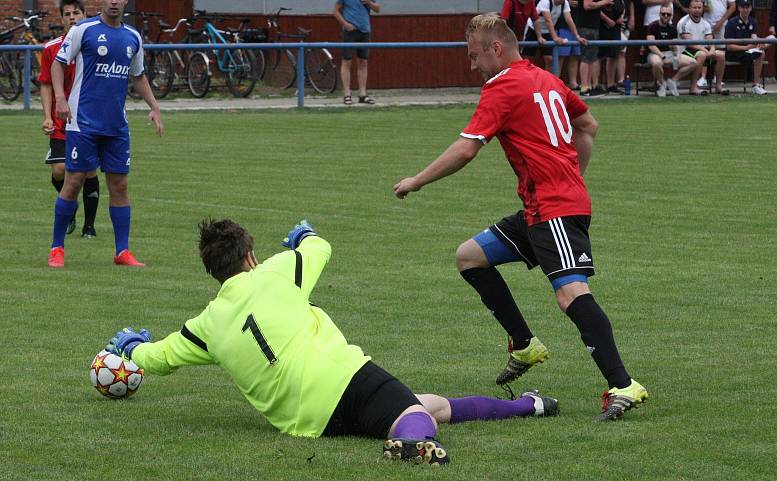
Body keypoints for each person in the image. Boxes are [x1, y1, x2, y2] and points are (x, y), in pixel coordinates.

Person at [105, 219, 560, 466]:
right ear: (249, 257)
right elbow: (320, 248)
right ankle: (409, 446)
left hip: (308, 420)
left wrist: (130, 349)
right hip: (341, 377)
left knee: (433, 405)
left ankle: (530, 406)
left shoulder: (205, 325)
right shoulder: (276, 272)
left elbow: (160, 357)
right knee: (418, 416)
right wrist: (304, 236)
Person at [393, 13, 648, 421]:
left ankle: (622, 384)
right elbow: (589, 124)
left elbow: (466, 149)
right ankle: (524, 342)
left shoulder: (502, 86)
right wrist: (571, 174)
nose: (473, 65)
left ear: (496, 49)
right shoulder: (545, 78)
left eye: (475, 56)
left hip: (554, 210)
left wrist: (417, 180)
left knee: (570, 295)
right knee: (469, 256)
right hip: (540, 208)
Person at [48, 0, 163, 268]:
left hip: (116, 125)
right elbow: (58, 64)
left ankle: (122, 252)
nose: (113, 1)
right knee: (74, 180)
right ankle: (57, 248)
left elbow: (139, 76)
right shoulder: (83, 30)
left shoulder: (132, 37)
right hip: (83, 122)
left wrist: (155, 107)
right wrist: (60, 99)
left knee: (120, 185)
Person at [39, 0, 99, 239]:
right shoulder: (52, 48)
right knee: (59, 170)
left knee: (89, 172)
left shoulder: (95, 44)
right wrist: (46, 116)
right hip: (62, 120)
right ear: (61, 19)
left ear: (85, 15)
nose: (72, 17)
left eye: (77, 13)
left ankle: (89, 227)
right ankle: (70, 204)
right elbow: (45, 83)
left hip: (89, 121)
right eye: (67, 14)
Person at [645, 5, 700, 95]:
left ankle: (673, 81)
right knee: (656, 63)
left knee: (694, 63)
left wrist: (677, 55)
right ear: (659, 14)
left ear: (671, 16)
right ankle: (662, 84)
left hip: (669, 54)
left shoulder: (672, 28)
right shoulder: (653, 26)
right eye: (663, 14)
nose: (666, 16)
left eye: (668, 14)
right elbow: (651, 46)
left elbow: (674, 45)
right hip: (655, 54)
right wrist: (663, 57)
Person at [333, 0, 380, 105]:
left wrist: (369, 2)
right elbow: (335, 11)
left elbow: (377, 9)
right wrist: (345, 24)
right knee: (347, 61)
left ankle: (362, 94)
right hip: (350, 32)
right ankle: (347, 95)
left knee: (363, 62)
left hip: (365, 30)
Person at [677, 0, 728, 94]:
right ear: (689, 9)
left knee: (721, 54)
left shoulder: (705, 23)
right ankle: (693, 87)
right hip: (686, 51)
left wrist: (712, 49)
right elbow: (689, 43)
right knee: (701, 54)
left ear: (702, 9)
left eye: (699, 8)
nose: (697, 10)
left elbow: (710, 40)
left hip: (703, 50)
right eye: (694, 8)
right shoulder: (683, 23)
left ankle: (718, 86)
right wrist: (705, 50)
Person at [725, 0, 770, 94]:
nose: (745, 10)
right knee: (760, 54)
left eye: (747, 7)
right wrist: (746, 48)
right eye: (743, 7)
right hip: (734, 53)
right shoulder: (731, 23)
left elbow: (753, 36)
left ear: (750, 8)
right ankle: (755, 85)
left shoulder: (753, 22)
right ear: (739, 8)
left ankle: (755, 85)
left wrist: (758, 42)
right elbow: (729, 47)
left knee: (762, 51)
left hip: (748, 51)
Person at [534, 0, 587, 76]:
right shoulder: (545, 1)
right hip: (533, 29)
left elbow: (569, 19)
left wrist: (577, 36)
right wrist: (555, 37)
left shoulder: (565, 3)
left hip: (547, 32)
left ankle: (547, 83)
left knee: (549, 59)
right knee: (529, 58)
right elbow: (548, 20)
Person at [573, 0, 616, 96]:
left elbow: (596, 10)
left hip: (593, 27)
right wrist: (605, 2)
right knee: (586, 57)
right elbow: (587, 5)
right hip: (586, 27)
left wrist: (607, 19)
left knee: (592, 58)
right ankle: (584, 88)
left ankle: (591, 87)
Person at [598, 0, 626, 92]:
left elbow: (623, 6)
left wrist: (621, 17)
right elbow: (597, 9)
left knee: (613, 55)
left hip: (616, 27)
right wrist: (607, 19)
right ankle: (596, 85)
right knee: (599, 56)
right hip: (603, 26)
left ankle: (611, 84)